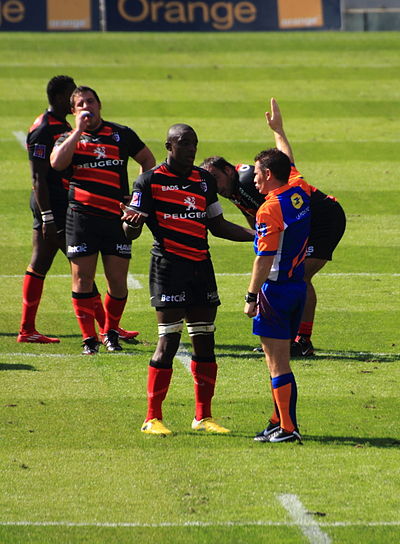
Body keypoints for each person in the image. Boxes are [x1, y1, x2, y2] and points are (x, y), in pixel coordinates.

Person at [121, 123, 254, 436]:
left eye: (194, 143)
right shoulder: (149, 180)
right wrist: (134, 224)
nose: (191, 149)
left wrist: (255, 235)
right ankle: (152, 418)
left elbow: (217, 225)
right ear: (169, 145)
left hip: (201, 268)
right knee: (168, 341)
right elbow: (128, 232)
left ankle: (203, 417)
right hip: (168, 269)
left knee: (205, 340)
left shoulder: (204, 179)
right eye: (184, 143)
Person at [202, 98, 346, 357]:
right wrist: (278, 131)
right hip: (306, 219)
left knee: (299, 276)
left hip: (324, 220)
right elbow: (287, 165)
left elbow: (270, 215)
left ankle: (301, 339)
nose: (216, 186)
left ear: (228, 169)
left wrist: (263, 247)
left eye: (215, 178)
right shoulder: (237, 186)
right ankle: (290, 339)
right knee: (295, 275)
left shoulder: (248, 182)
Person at [17, 76, 140, 345]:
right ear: (64, 101)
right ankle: (104, 330)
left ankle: (103, 327)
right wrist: (48, 215)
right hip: (54, 205)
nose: (84, 105)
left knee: (49, 260)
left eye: (89, 100)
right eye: (76, 98)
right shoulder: (46, 129)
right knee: (79, 268)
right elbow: (39, 177)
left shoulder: (61, 125)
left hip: (63, 203)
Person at [50, 85, 155, 354]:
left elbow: (147, 161)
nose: (87, 107)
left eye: (91, 101)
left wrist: (137, 200)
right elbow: (57, 163)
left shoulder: (121, 134)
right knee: (82, 279)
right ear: (73, 111)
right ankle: (89, 339)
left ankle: (110, 333)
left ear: (99, 104)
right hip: (81, 218)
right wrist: (77, 132)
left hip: (115, 218)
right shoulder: (66, 138)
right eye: (81, 104)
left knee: (117, 282)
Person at [244, 148, 311, 443]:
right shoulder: (300, 191)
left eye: (257, 173)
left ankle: (287, 427)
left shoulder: (269, 209)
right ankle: (278, 421)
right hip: (298, 287)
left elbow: (264, 258)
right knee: (280, 362)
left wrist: (250, 296)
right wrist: (278, 130)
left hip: (275, 292)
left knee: (277, 364)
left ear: (269, 174)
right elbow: (289, 160)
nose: (253, 179)